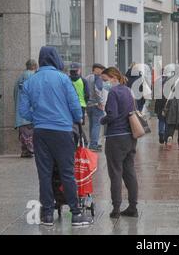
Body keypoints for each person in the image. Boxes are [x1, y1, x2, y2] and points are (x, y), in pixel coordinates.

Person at [19, 46, 93, 227]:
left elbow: (23, 111)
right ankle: (76, 214)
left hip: (41, 132)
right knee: (67, 173)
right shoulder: (63, 79)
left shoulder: (31, 81)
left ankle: (47, 215)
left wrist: (36, 118)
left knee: (44, 174)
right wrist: (77, 119)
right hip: (62, 131)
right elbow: (75, 106)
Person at [100, 67, 139, 219]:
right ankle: (133, 207)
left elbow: (112, 115)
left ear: (113, 77)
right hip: (130, 136)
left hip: (116, 137)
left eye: (105, 80)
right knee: (129, 172)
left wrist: (102, 120)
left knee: (115, 173)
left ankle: (116, 209)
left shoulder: (113, 93)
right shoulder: (128, 91)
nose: (104, 83)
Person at [14, 59, 38, 158]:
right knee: (29, 133)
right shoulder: (32, 76)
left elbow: (15, 94)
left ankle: (25, 151)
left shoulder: (20, 77)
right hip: (30, 111)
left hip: (21, 111)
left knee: (23, 132)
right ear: (34, 66)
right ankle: (29, 150)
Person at [85, 63, 106, 152]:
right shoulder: (97, 78)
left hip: (88, 105)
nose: (102, 72)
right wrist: (100, 103)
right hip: (96, 105)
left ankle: (92, 143)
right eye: (101, 69)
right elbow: (98, 90)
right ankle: (94, 144)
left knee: (92, 125)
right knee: (96, 125)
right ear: (96, 69)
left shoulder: (87, 77)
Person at [69, 63, 89, 146]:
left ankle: (76, 142)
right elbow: (87, 94)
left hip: (69, 105)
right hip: (81, 105)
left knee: (72, 124)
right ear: (79, 70)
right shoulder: (83, 80)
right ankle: (82, 141)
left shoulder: (67, 79)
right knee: (79, 124)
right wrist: (85, 102)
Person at [154, 69, 169, 145]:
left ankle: (161, 134)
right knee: (167, 120)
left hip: (159, 102)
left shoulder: (157, 81)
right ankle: (166, 136)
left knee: (161, 119)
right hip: (167, 102)